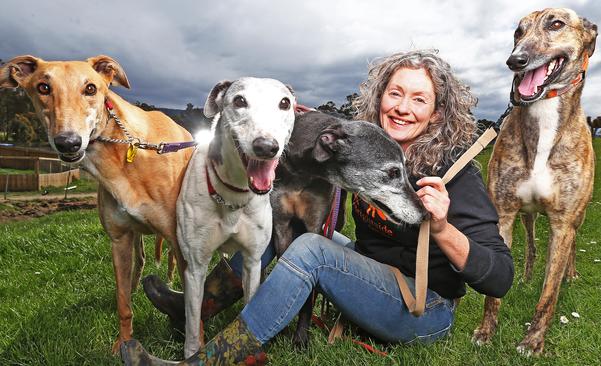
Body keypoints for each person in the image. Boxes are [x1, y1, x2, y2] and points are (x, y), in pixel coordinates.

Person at [122, 49, 514, 365]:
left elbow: (499, 279)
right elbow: (303, 145)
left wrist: (443, 227)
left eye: (419, 99)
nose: (402, 107)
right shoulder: (364, 145)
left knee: (310, 248)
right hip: (371, 273)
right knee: (277, 224)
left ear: (438, 113)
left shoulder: (456, 173)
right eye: (395, 93)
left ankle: (214, 359)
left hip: (422, 308)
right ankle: (198, 304)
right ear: (380, 97)